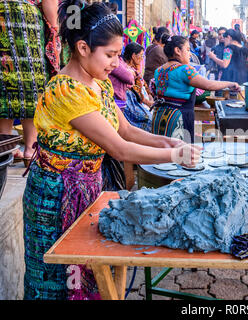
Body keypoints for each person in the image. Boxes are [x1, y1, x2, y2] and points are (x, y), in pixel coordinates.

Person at [23, 0, 201, 300]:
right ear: (82, 48)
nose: (116, 64)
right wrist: (175, 156)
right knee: (61, 280)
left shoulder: (100, 85)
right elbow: (119, 149)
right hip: (56, 197)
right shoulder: (65, 91)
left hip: (88, 189)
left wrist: (170, 142)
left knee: (87, 274)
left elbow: (128, 131)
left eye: (118, 55)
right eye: (110, 55)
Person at [0, 0, 58, 166]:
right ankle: (30, 149)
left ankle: (6, 147)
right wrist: (54, 28)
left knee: (5, 82)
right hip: (25, 18)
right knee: (31, 83)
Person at [153, 35, 240, 143]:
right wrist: (230, 84)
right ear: (177, 51)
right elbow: (209, 85)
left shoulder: (159, 70)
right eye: (188, 50)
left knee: (162, 152)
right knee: (180, 154)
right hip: (178, 118)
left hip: (160, 115)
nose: (190, 54)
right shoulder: (185, 69)